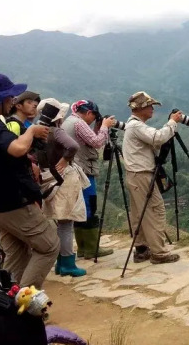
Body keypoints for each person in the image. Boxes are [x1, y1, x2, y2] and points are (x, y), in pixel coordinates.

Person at [0, 73, 59, 288]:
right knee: (49, 246)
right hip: (11, 201)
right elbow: (16, 149)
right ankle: (24, 305)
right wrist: (32, 131)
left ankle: (5, 301)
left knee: (16, 254)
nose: (13, 101)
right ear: (2, 99)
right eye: (11, 97)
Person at [122, 91, 181, 264]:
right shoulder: (136, 126)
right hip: (141, 175)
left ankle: (141, 249)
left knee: (139, 213)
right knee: (155, 211)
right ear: (141, 108)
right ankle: (159, 253)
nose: (152, 109)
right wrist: (172, 122)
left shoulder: (133, 125)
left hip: (135, 175)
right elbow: (158, 138)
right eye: (150, 106)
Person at [37, 98, 88, 277]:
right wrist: (65, 159)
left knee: (59, 222)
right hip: (63, 179)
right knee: (66, 223)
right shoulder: (56, 131)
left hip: (46, 178)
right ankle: (67, 263)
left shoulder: (39, 133)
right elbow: (73, 146)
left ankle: (60, 263)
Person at [61, 100, 115, 259]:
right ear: (89, 112)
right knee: (90, 206)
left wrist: (99, 127)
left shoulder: (68, 122)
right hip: (83, 171)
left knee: (81, 208)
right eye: (94, 116)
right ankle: (92, 248)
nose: (94, 120)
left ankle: (84, 248)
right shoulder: (79, 123)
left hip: (74, 170)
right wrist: (105, 126)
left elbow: (89, 139)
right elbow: (97, 142)